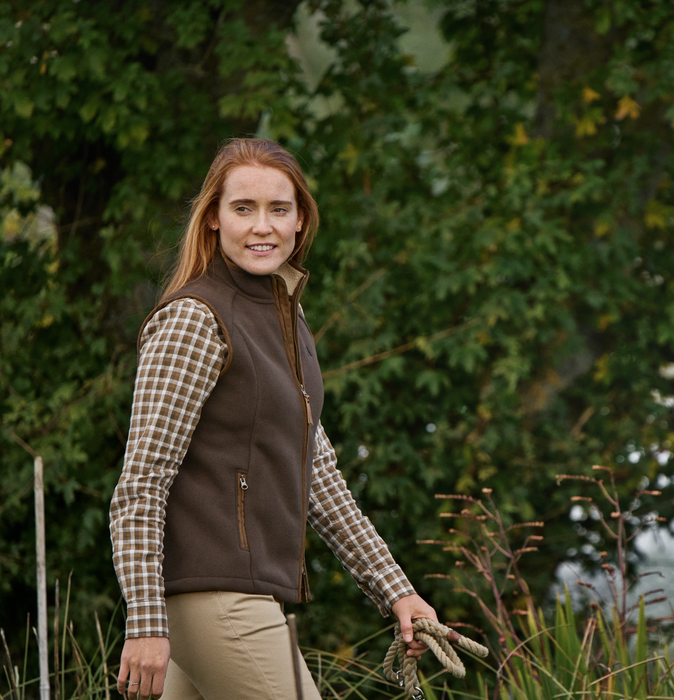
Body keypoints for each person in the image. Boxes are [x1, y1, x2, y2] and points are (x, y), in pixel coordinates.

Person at [108, 138, 438, 700]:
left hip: (236, 598)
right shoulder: (195, 318)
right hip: (213, 599)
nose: (262, 227)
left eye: (278, 209)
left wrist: (397, 590)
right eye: (243, 209)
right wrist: (143, 620)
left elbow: (318, 473)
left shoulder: (285, 314)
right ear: (213, 219)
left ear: (300, 219)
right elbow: (141, 483)